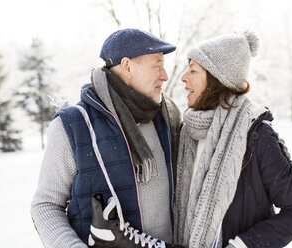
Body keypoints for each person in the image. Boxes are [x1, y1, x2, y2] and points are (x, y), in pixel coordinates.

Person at [31, 28, 182, 247]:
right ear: (128, 66)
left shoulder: (166, 118)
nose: (165, 76)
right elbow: (45, 205)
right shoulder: (74, 125)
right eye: (157, 65)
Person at [174, 31, 292, 248]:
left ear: (217, 79)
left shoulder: (256, 135)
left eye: (193, 71)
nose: (183, 77)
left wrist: (243, 245)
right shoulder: (186, 132)